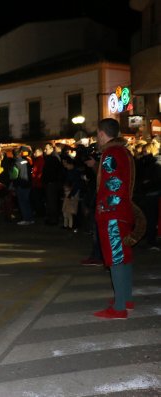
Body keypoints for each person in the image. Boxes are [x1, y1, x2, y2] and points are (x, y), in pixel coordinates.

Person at [90, 118, 137, 319]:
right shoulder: (124, 152)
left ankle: (119, 308)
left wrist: (104, 209)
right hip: (123, 211)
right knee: (124, 255)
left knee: (115, 257)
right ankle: (125, 298)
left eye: (97, 134)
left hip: (113, 213)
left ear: (101, 133)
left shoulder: (111, 153)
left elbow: (113, 183)